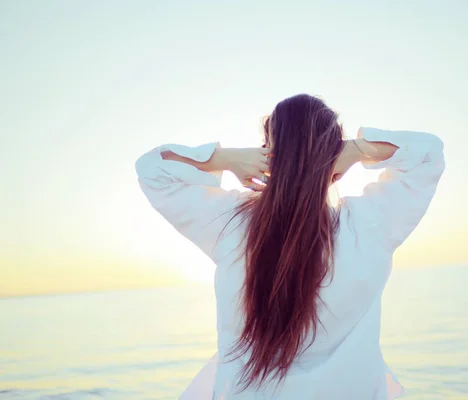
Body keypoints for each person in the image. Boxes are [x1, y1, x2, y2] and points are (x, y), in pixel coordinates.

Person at [135, 94, 445, 399]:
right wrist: (358, 150)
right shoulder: (369, 226)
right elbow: (428, 153)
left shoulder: (233, 224)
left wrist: (228, 159)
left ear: (268, 154)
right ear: (335, 158)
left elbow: (152, 170)